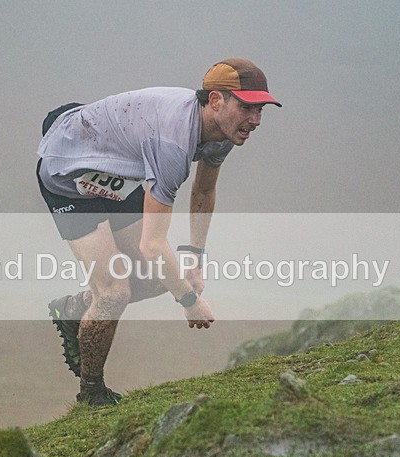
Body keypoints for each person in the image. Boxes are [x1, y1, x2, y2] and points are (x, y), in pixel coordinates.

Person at [36, 58, 281, 406]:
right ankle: (91, 394)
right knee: (114, 292)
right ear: (215, 101)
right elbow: (152, 246)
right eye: (247, 108)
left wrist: (194, 259)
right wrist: (190, 302)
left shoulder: (224, 132)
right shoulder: (174, 145)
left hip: (117, 173)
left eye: (260, 110)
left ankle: (75, 308)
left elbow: (203, 192)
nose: (255, 120)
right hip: (68, 175)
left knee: (157, 278)